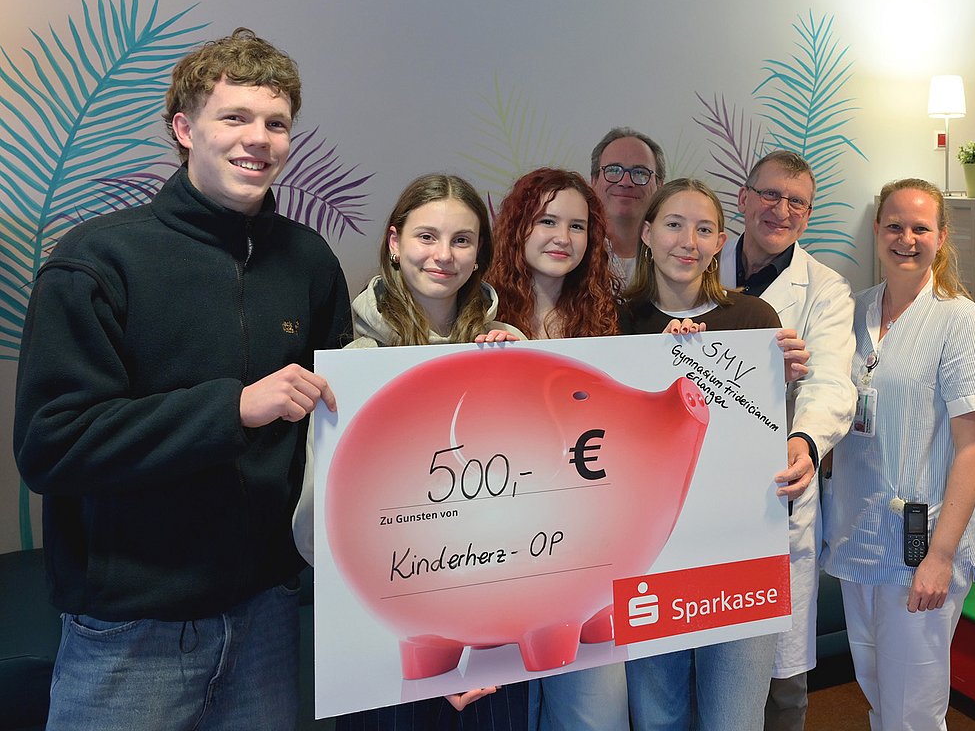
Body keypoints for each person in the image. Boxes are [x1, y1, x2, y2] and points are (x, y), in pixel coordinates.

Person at [12, 28, 351, 729]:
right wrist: (233, 409)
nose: (258, 139)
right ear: (184, 129)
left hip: (267, 612)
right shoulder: (98, 260)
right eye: (235, 117)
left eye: (276, 123)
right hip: (131, 630)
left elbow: (344, 426)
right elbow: (52, 445)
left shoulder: (309, 260)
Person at [293, 173, 525, 730]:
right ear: (395, 243)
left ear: (479, 254)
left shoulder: (510, 347)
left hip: (496, 639)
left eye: (462, 240)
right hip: (387, 646)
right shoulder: (352, 359)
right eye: (426, 236)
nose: (443, 255)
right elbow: (319, 529)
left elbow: (535, 504)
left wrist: (521, 373)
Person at [619, 178, 807, 731]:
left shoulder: (755, 320)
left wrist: (782, 379)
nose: (688, 241)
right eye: (674, 225)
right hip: (648, 558)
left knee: (735, 719)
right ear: (647, 234)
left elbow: (767, 431)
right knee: (658, 719)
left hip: (741, 552)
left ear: (721, 242)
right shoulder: (615, 322)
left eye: (704, 229)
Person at [821, 178, 975, 731]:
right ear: (877, 231)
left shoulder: (959, 320)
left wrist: (941, 557)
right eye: (895, 226)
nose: (906, 239)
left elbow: (973, 449)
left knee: (915, 711)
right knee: (879, 693)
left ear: (941, 237)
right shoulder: (853, 313)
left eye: (920, 228)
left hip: (921, 546)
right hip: (858, 536)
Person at [720, 150, 855, 730]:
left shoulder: (825, 289)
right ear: (744, 199)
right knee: (704, 657)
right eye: (770, 195)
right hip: (702, 486)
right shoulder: (695, 261)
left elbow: (831, 380)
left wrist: (805, 440)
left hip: (776, 485)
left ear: (808, 214)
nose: (781, 210)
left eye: (796, 201)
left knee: (782, 679)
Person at [488, 167, 626, 730]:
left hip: (588, 559)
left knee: (596, 715)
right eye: (547, 221)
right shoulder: (477, 314)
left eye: (577, 226)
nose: (562, 238)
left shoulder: (608, 320)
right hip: (501, 558)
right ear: (518, 226)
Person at [589, 128, 665, 283]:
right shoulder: (573, 248)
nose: (625, 182)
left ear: (659, 186)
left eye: (640, 172)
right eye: (613, 170)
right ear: (594, 181)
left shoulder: (675, 252)